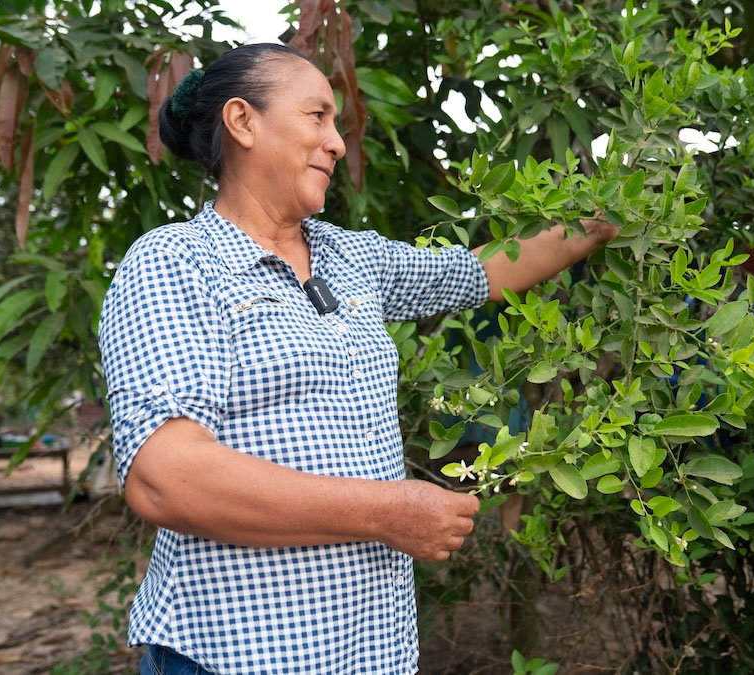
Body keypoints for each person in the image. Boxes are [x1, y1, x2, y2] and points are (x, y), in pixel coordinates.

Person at [98, 42, 618, 675]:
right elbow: (165, 475)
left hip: (366, 653)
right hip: (233, 656)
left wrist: (595, 225)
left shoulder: (353, 259)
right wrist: (385, 511)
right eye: (316, 116)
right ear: (242, 122)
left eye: (336, 124)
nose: (337, 142)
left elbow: (480, 273)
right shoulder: (174, 262)